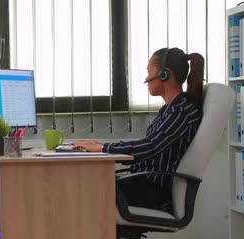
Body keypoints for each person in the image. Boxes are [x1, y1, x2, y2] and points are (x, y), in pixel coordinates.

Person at [72, 47, 205, 213]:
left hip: (153, 191)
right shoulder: (172, 109)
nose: (147, 78)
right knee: (85, 185)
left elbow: (150, 147)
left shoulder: (180, 111)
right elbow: (147, 146)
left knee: (83, 191)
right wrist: (102, 147)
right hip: (144, 183)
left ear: (164, 74)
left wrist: (102, 148)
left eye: (149, 71)